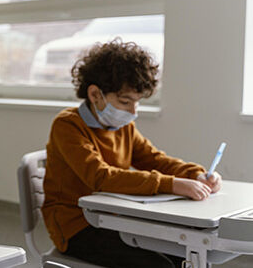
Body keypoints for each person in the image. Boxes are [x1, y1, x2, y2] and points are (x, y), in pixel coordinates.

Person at [42, 39, 223, 268]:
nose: (133, 111)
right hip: (75, 226)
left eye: (137, 102)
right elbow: (100, 177)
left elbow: (153, 159)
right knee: (159, 265)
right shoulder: (67, 125)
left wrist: (196, 174)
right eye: (125, 101)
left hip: (114, 218)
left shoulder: (122, 126)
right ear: (95, 94)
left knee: (185, 254)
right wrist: (173, 184)